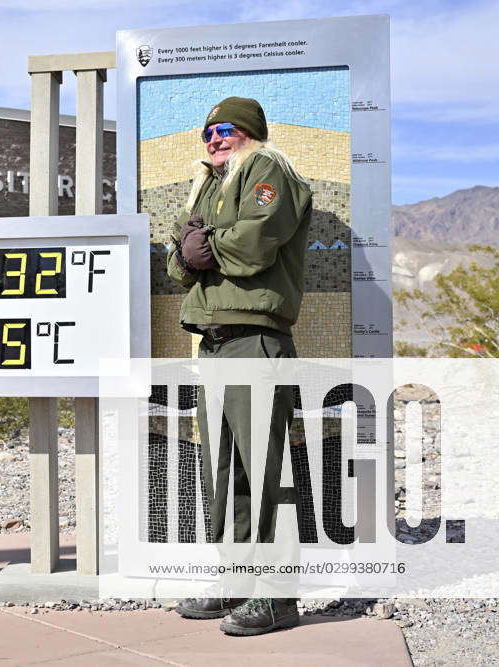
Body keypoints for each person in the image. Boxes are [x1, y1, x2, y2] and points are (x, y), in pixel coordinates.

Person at [165, 97, 312, 636]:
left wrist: (203, 247)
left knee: (265, 470)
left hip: (255, 341)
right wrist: (188, 251)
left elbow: (254, 243)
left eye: (224, 129)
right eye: (207, 131)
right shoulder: (209, 182)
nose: (213, 139)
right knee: (225, 472)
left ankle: (276, 597)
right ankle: (236, 579)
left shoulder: (270, 171)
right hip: (214, 343)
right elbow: (175, 257)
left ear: (249, 131)